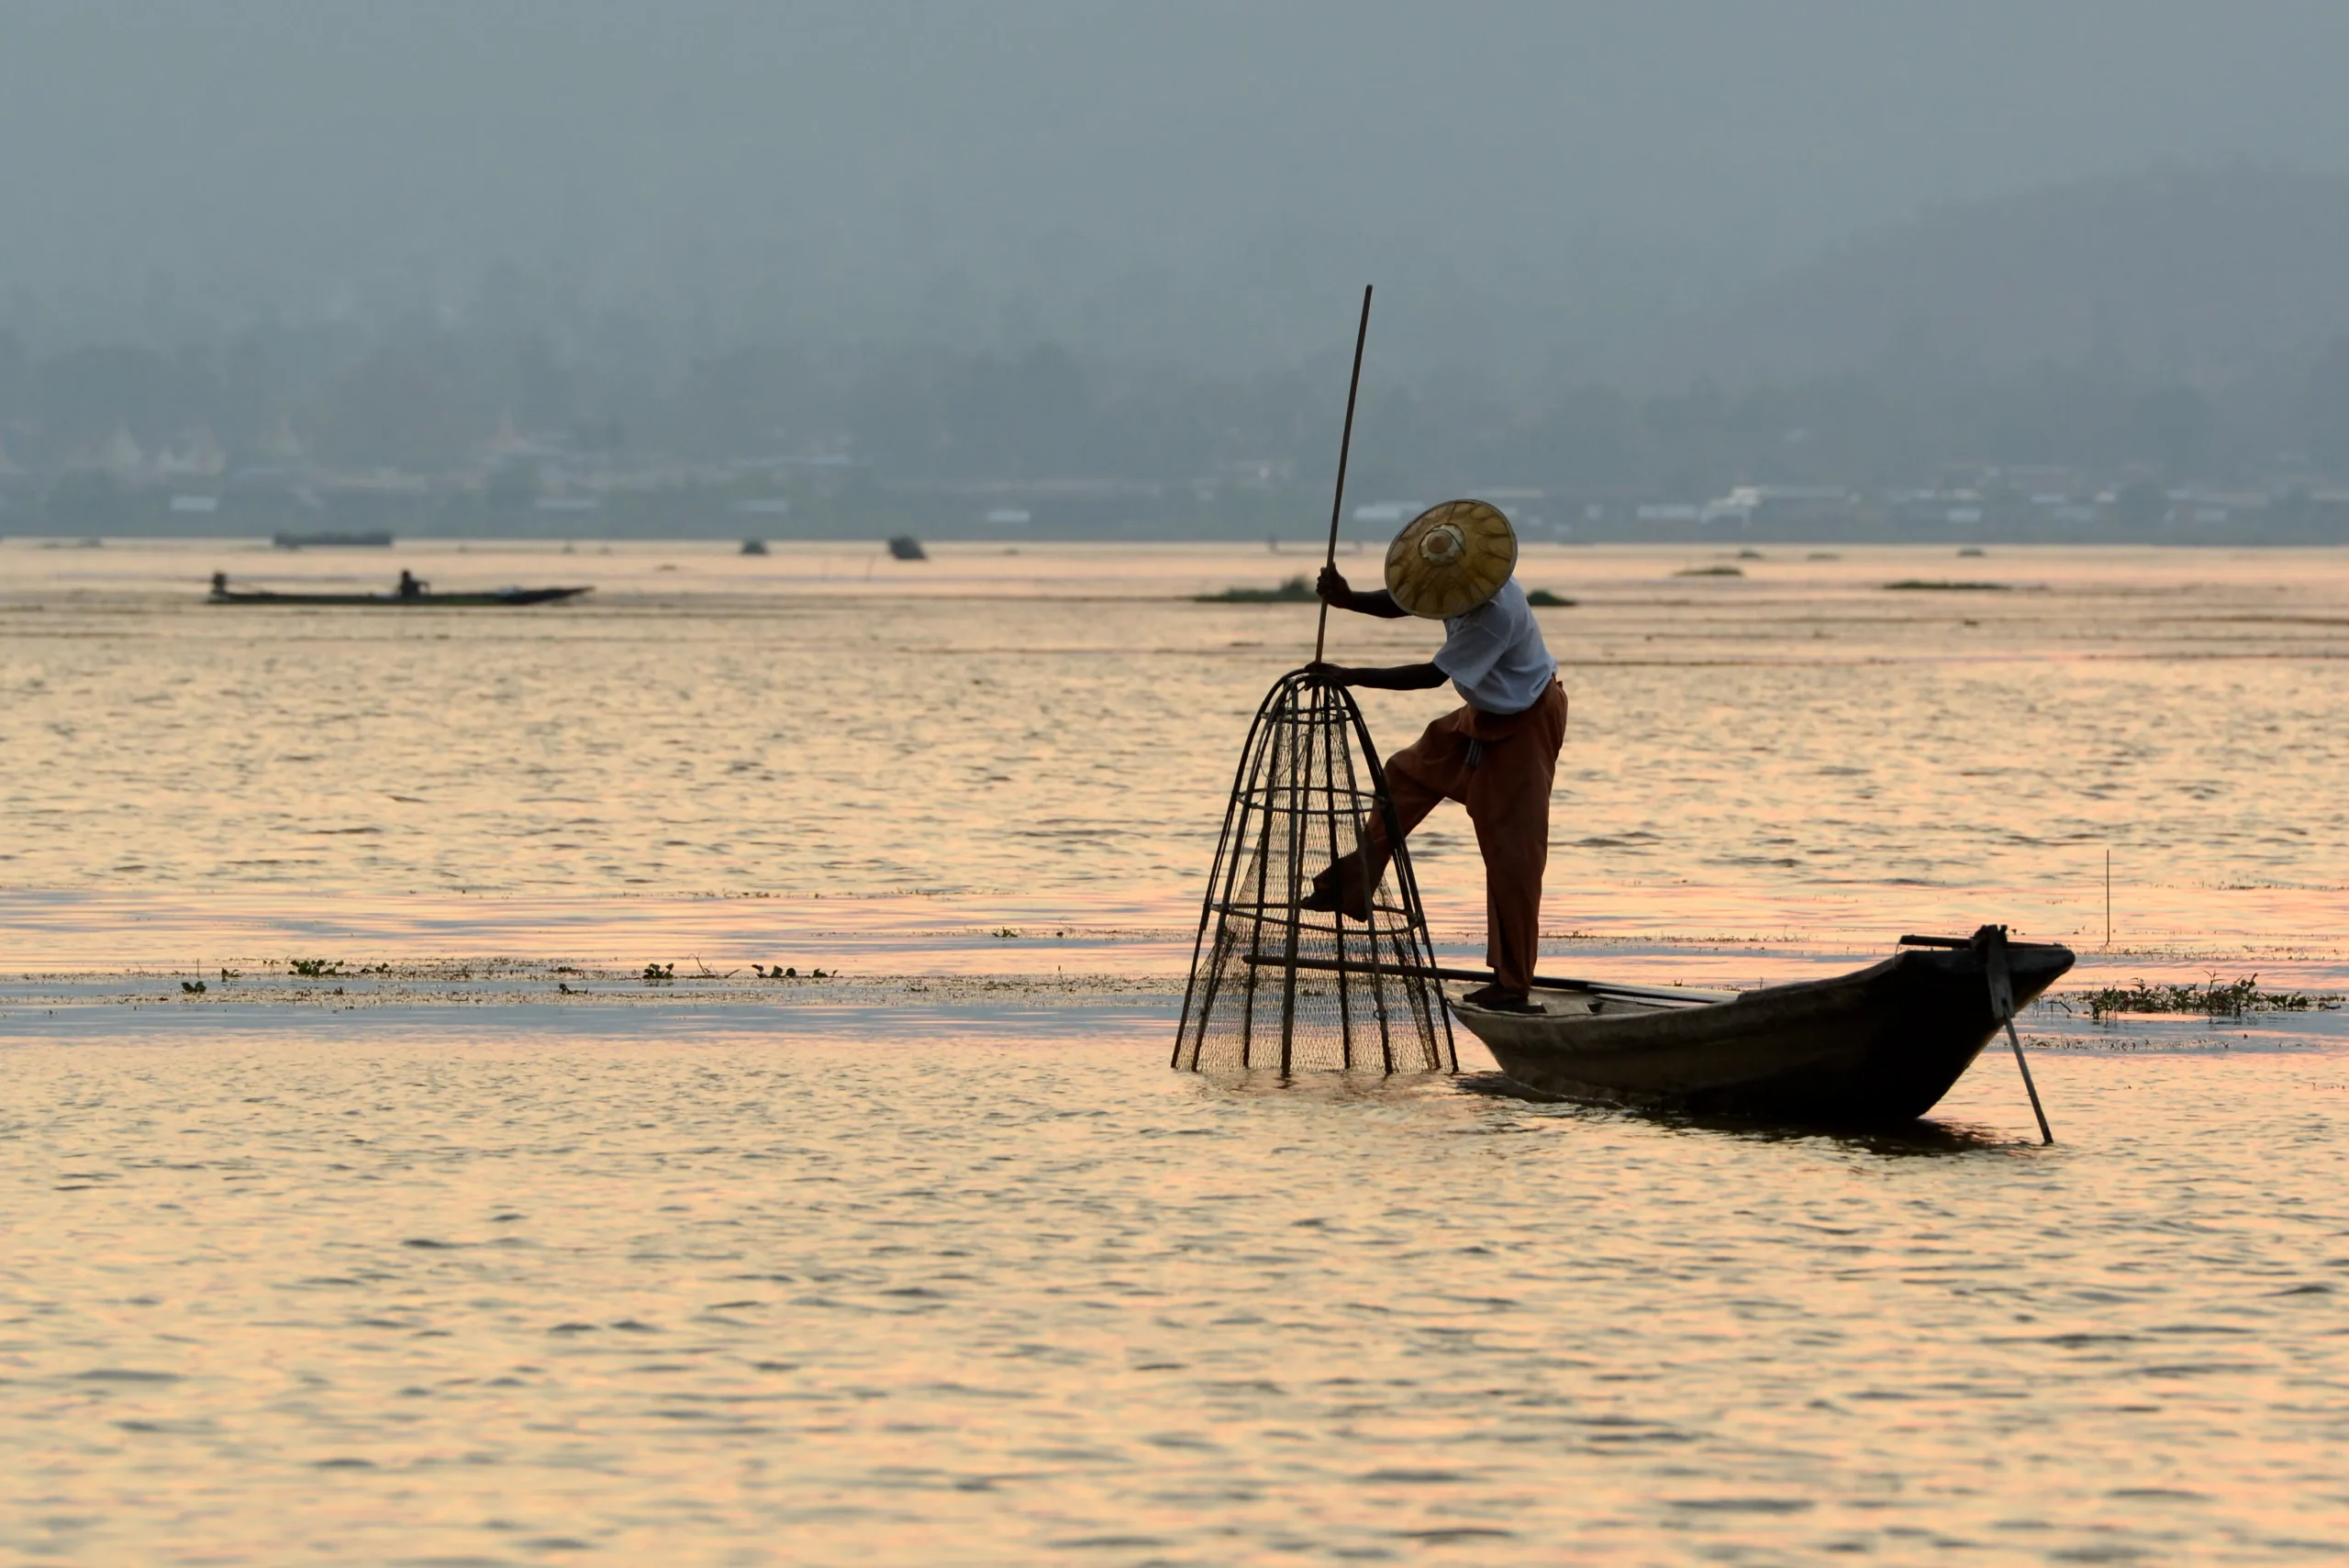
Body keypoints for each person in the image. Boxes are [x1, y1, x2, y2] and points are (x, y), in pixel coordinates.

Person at [1303, 499, 1564, 1013]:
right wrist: (1350, 600)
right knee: (1402, 775)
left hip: (1526, 723)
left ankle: (1512, 986)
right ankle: (1353, 887)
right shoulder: (1460, 587)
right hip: (1484, 715)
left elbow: (1431, 675)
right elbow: (1410, 600)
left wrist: (1351, 675)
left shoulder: (1494, 612)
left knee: (1511, 855)